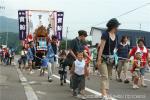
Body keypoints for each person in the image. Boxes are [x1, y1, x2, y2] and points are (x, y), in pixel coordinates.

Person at [97, 18, 120, 99]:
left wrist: (116, 58)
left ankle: (105, 93)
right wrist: (98, 59)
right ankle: (104, 95)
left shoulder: (116, 36)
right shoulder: (105, 34)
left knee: (109, 76)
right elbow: (101, 48)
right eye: (117, 26)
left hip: (111, 59)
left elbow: (115, 49)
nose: (118, 28)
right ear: (114, 26)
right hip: (103, 58)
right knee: (105, 76)